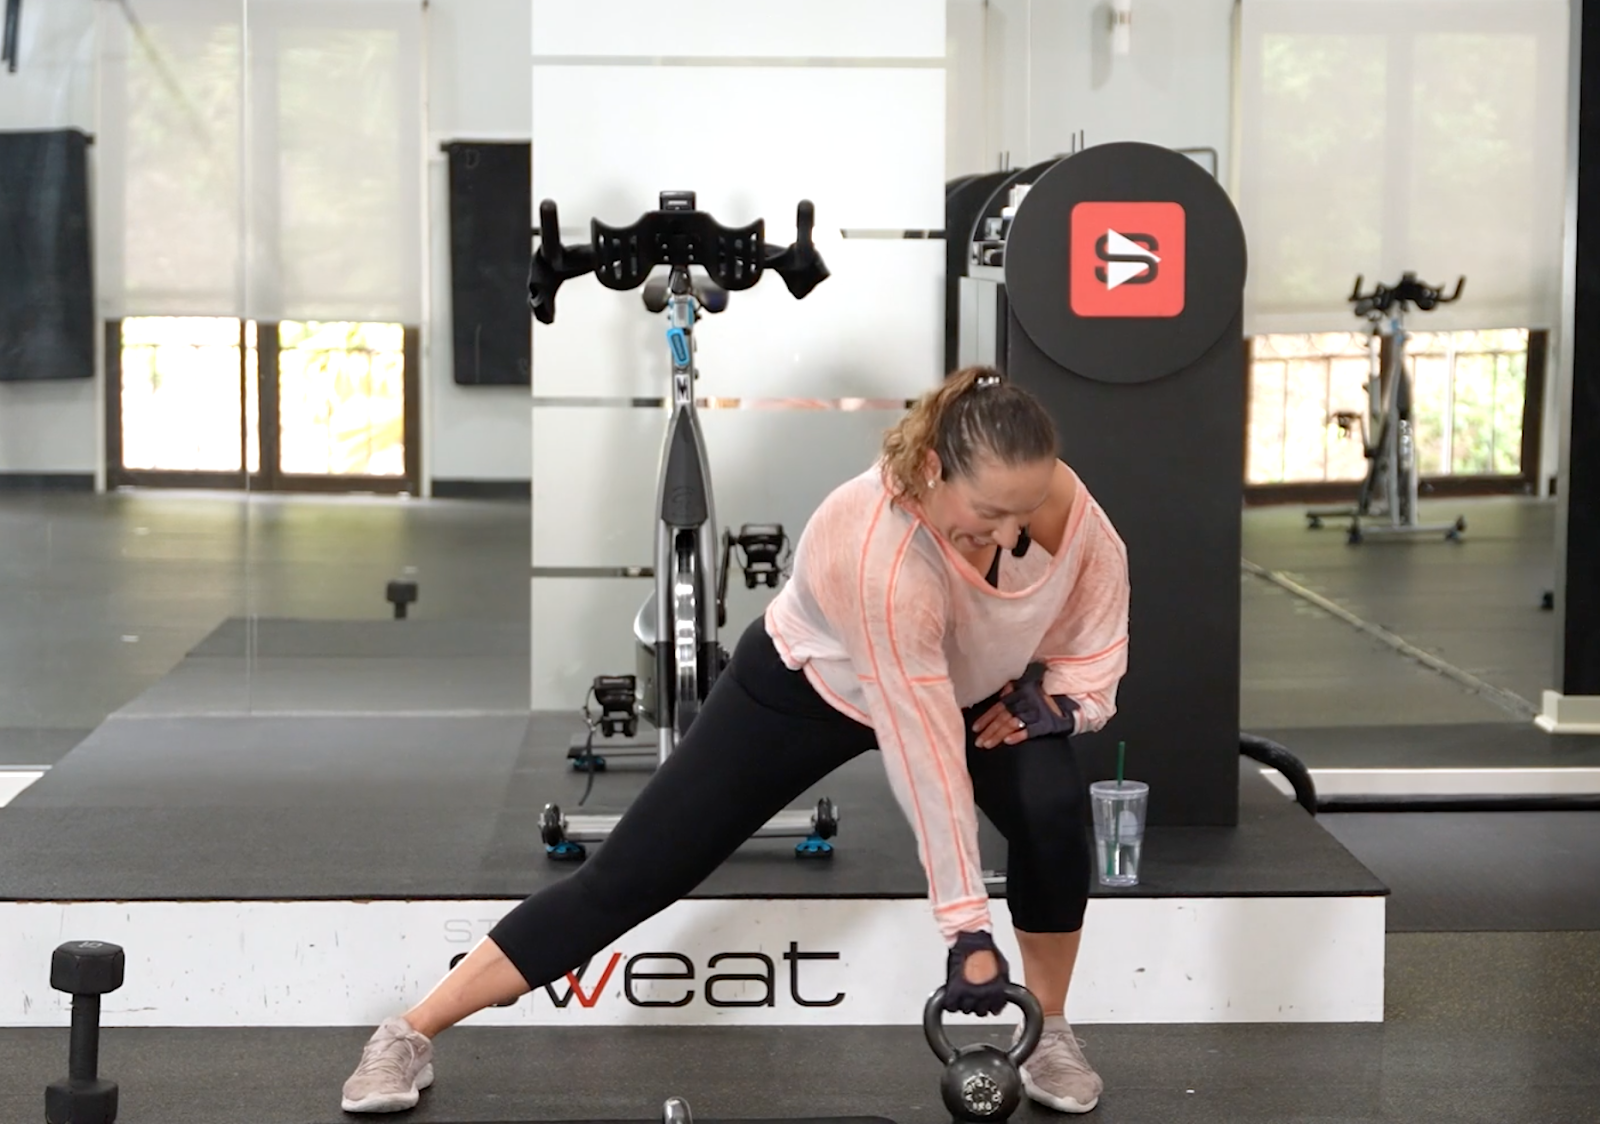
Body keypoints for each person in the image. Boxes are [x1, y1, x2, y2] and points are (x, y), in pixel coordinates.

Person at [340, 365, 1131, 1116]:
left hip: (972, 688)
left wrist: (1063, 700)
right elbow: (922, 751)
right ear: (932, 468)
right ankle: (408, 1032)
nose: (1007, 532)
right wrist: (966, 931)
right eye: (987, 515)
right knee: (634, 874)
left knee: (1051, 804)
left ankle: (1050, 1032)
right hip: (809, 686)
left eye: (1022, 514)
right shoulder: (875, 549)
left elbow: (1096, 625)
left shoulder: (1052, 505)